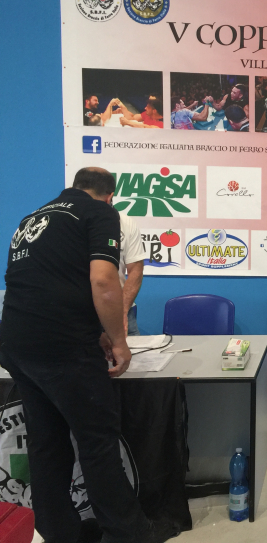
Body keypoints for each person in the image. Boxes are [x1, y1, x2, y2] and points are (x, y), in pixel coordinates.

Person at [0, 167, 178, 543]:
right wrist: (118, 341)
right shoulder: (99, 213)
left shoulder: (33, 218)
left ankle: (56, 532)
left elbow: (44, 283)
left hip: (16, 343)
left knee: (46, 444)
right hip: (64, 350)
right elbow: (103, 280)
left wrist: (93, 330)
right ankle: (128, 533)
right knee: (98, 444)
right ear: (110, 197)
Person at [119, 213, 147, 336]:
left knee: (132, 348)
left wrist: (123, 311)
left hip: (121, 308)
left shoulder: (125, 222)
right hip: (80, 310)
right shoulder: (70, 220)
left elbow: (136, 270)